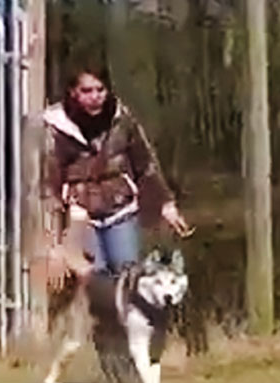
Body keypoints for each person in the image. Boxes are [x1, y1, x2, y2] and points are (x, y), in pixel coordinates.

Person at [41, 62, 192, 279]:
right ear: (73, 92)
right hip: (81, 216)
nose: (95, 96)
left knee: (128, 276)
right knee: (96, 282)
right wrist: (52, 238)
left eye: (100, 90)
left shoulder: (121, 119)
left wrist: (165, 203)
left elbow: (145, 164)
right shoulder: (56, 128)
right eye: (87, 91)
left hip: (120, 210)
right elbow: (49, 186)